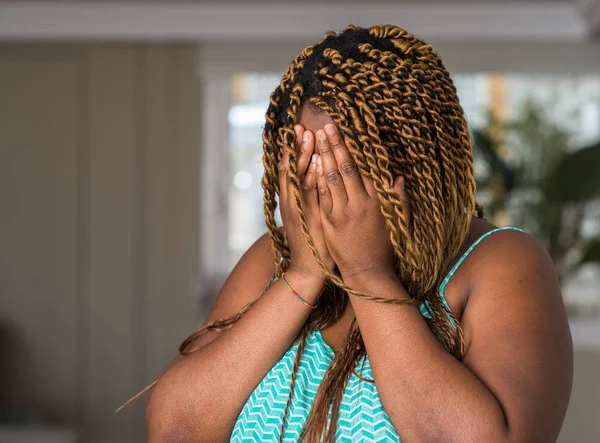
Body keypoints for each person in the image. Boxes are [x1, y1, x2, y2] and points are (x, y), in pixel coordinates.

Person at [142, 25, 573, 442]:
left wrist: (368, 275)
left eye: (345, 169)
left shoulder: (502, 261)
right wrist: (303, 274)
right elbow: (174, 432)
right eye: (308, 160)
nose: (325, 187)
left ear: (416, 165)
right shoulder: (272, 262)